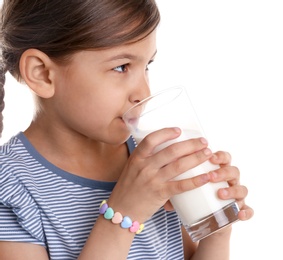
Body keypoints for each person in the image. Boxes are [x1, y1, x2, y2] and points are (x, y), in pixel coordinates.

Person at [0, 0, 254, 259]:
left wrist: (215, 229)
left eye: (147, 66)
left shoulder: (152, 162)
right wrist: (124, 212)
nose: (143, 93)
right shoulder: (9, 187)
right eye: (121, 67)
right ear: (42, 74)